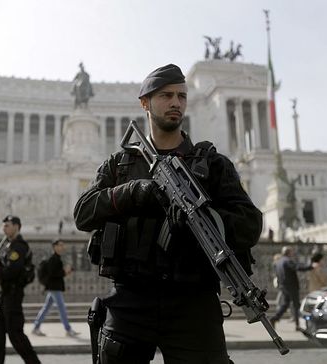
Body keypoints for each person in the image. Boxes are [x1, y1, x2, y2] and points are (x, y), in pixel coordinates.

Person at [74, 64, 263, 364]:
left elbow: (250, 224)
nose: (176, 103)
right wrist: (133, 193)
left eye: (181, 96)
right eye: (166, 95)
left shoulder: (213, 165)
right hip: (131, 299)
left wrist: (202, 219)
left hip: (194, 301)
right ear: (145, 103)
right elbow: (83, 213)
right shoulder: (119, 165)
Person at [0, 215, 41, 364]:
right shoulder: (8, 247)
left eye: (7, 225)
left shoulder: (19, 246)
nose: (4, 228)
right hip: (4, 295)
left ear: (16, 226)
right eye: (3, 226)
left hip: (13, 295)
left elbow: (13, 271)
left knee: (16, 335)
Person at [32, 239, 80, 337]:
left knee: (46, 307)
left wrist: (65, 272)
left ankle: (36, 327)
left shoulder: (57, 258)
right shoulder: (53, 259)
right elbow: (53, 273)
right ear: (55, 247)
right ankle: (68, 329)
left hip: (53, 287)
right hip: (54, 288)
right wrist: (65, 272)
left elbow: (55, 273)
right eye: (60, 245)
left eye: (63, 245)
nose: (63, 247)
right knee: (61, 308)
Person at [269, 246, 312, 331]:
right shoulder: (287, 261)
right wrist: (310, 267)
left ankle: (274, 318)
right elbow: (297, 267)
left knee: (285, 304)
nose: (293, 253)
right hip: (292, 286)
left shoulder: (279, 262)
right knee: (296, 305)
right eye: (292, 252)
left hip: (284, 286)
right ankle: (297, 325)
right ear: (288, 252)